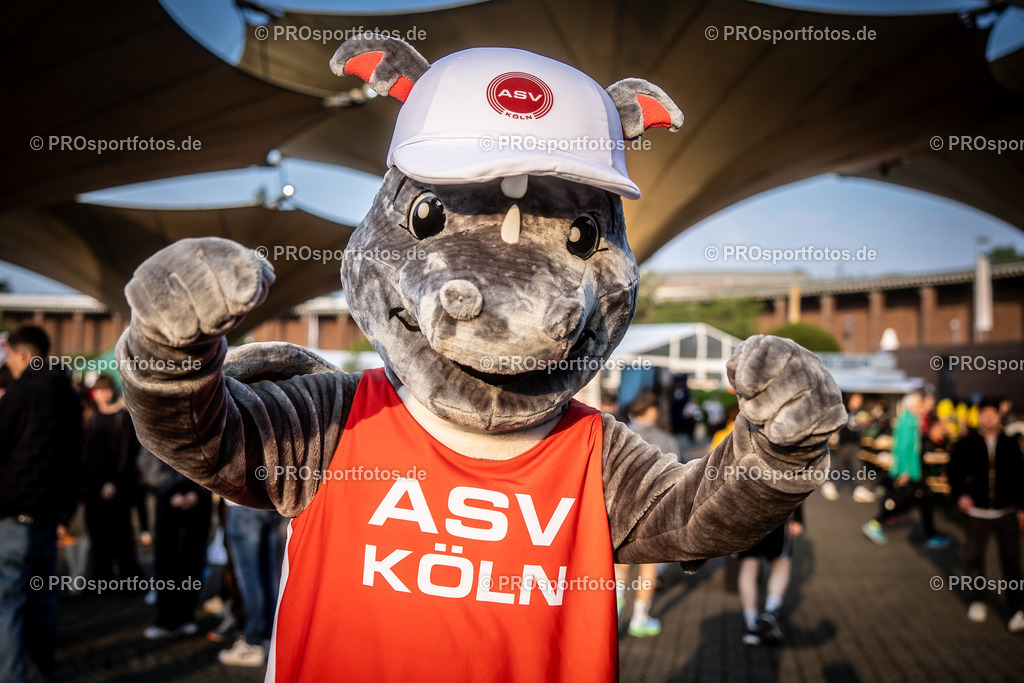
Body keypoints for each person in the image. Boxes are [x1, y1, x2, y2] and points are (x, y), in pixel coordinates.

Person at [0, 326, 83, 682]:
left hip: (13, 518)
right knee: (44, 602)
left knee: (9, 606)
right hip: (50, 518)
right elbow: (75, 460)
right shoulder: (69, 394)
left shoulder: (19, 393)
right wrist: (65, 512)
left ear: (21, 355)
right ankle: (41, 674)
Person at [948, 397, 1024, 631]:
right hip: (977, 513)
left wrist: (1021, 508)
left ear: (999, 417)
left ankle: (1017, 610)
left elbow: (1021, 476)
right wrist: (960, 495)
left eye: (993, 413)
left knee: (1012, 562)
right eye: (985, 413)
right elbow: (952, 472)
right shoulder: (965, 442)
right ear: (979, 416)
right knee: (974, 559)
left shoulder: (1010, 443)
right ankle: (978, 601)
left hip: (1006, 512)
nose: (989, 417)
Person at [614, 391, 678, 637]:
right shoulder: (666, 440)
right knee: (649, 567)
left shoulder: (618, 434)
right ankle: (640, 618)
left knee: (620, 567)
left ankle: (615, 610)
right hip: (653, 514)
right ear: (652, 411)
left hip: (619, 511)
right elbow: (676, 478)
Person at [137, 446, 212, 639]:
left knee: (193, 557)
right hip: (167, 495)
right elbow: (147, 456)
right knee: (166, 558)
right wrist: (167, 489)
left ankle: (187, 615)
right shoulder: (157, 418)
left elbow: (215, 454)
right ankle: (166, 617)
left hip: (198, 497)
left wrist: (199, 490)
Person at [862, 392, 951, 549]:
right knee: (901, 500)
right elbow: (902, 448)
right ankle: (875, 523)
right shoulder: (907, 420)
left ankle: (931, 534)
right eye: (918, 404)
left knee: (921, 500)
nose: (920, 407)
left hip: (913, 470)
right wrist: (903, 471)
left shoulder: (912, 419)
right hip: (909, 471)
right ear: (911, 405)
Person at [83, 374, 142, 583]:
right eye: (99, 391)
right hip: (94, 485)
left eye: (106, 390)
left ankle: (130, 580)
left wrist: (114, 482)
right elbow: (87, 452)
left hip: (117, 487)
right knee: (98, 536)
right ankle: (102, 579)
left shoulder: (122, 417)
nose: (103, 394)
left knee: (122, 537)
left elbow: (126, 455)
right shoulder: (91, 416)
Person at [218, 500, 284, 667]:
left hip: (243, 504)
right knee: (270, 574)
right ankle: (269, 638)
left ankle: (254, 642)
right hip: (272, 504)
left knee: (250, 579)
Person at [739, 506, 803, 646]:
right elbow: (797, 484)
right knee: (782, 564)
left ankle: (752, 626)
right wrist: (798, 517)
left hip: (745, 517)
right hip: (776, 515)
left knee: (748, 567)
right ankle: (771, 612)